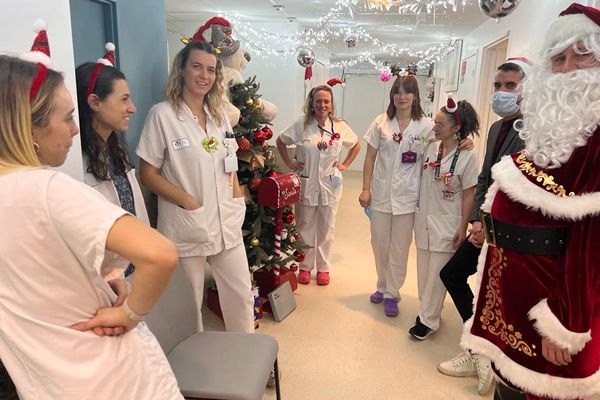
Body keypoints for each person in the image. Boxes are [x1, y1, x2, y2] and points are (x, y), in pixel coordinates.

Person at [0, 53, 182, 400]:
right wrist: (130, 314)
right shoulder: (49, 189)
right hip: (110, 373)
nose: (74, 128)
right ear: (29, 126)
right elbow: (160, 254)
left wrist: (104, 280)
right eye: (68, 117)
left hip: (47, 379)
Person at [461, 3, 600, 400]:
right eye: (558, 58)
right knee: (509, 386)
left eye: (583, 54)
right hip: (511, 293)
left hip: (554, 312)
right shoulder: (546, 126)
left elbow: (592, 243)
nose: (568, 67)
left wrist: (567, 324)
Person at [137, 40, 254, 333]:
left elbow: (230, 161)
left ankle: (247, 354)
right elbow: (147, 174)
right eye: (197, 67)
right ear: (182, 70)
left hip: (226, 219)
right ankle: (195, 364)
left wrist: (236, 195)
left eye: (211, 70)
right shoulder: (162, 115)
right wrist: (186, 200)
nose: (204, 75)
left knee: (241, 294)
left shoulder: (220, 116)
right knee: (191, 303)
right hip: (188, 223)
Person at [437, 60, 529, 397]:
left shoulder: (531, 131)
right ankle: (477, 350)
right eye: (497, 86)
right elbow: (484, 179)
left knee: (497, 298)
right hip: (485, 225)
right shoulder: (495, 129)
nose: (502, 93)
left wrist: (487, 225)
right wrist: (477, 219)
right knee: (452, 275)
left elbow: (520, 189)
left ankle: (489, 357)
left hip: (509, 233)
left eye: (511, 86)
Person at [358, 75, 433, 317]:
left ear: (415, 96)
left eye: (407, 92)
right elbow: (369, 157)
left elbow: (444, 144)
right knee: (379, 242)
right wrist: (366, 188)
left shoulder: (425, 125)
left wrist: (465, 144)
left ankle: (392, 293)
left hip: (409, 197)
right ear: (392, 95)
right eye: (397, 91)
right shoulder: (381, 122)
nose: (402, 96)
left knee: (400, 247)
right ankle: (381, 284)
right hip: (381, 193)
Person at [76, 43, 148, 279]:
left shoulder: (116, 149)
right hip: (102, 276)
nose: (132, 108)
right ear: (95, 103)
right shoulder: (77, 162)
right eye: (124, 99)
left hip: (132, 265)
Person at [276, 83, 361, 285]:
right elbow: (280, 141)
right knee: (305, 226)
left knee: (326, 229)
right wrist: (290, 163)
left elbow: (357, 144)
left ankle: (323, 268)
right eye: (318, 101)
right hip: (306, 183)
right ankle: (305, 267)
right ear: (311, 104)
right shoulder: (301, 125)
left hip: (330, 185)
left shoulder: (339, 126)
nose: (322, 105)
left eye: (326, 101)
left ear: (331, 105)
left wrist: (345, 164)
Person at [409, 98, 479, 340]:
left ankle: (428, 320)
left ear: (456, 128)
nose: (434, 127)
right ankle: (429, 310)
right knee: (423, 272)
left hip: (448, 223)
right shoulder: (431, 146)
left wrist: (463, 225)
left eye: (439, 124)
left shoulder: (469, 155)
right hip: (425, 219)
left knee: (437, 275)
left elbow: (470, 192)